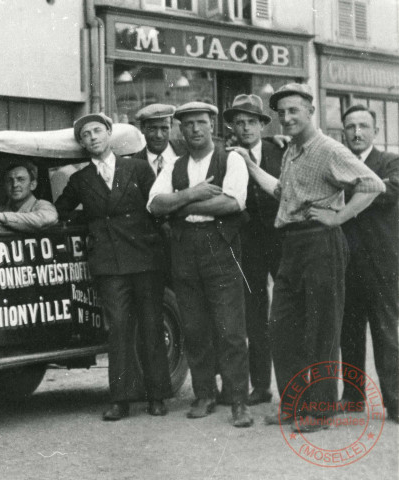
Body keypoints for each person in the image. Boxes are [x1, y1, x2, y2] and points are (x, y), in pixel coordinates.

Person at [234, 83, 385, 432]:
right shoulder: (293, 151)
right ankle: (292, 404)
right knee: (282, 327)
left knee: (321, 330)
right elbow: (283, 192)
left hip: (321, 243)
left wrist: (338, 217)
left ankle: (320, 411)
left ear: (310, 112)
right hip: (293, 244)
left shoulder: (328, 148)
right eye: (282, 113)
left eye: (293, 111)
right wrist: (248, 163)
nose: (286, 118)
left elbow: (372, 184)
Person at [55, 113, 172, 420]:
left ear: (108, 134)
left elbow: (157, 207)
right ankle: (121, 399)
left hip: (145, 258)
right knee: (118, 328)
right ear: (82, 143)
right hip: (108, 263)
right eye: (85, 135)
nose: (92, 137)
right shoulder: (79, 180)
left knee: (150, 323)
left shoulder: (137, 167)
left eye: (97, 131)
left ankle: (157, 395)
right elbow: (59, 212)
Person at [148, 101, 253, 428]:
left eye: (200, 123)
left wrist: (178, 205)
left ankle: (238, 400)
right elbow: (154, 204)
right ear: (180, 128)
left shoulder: (231, 158)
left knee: (229, 327)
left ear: (212, 126)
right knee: (194, 326)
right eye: (188, 124)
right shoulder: (175, 165)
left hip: (219, 246)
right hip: (184, 249)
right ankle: (204, 393)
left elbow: (232, 202)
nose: (194, 129)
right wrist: (192, 194)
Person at [223, 94, 284, 406]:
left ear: (263, 125)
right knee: (255, 314)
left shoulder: (281, 149)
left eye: (251, 121)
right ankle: (260, 386)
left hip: (283, 241)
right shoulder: (228, 155)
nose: (244, 127)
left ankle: (296, 386)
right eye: (239, 122)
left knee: (288, 311)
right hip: (248, 245)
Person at [339, 104, 399, 423]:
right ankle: (352, 397)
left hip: (382, 265)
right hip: (347, 263)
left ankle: (396, 400)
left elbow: (388, 192)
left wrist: (348, 186)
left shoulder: (391, 161)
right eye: (350, 127)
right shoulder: (339, 160)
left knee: (386, 334)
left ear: (375, 131)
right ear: (344, 132)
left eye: (363, 126)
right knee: (348, 333)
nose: (357, 132)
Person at [0, 159, 58, 232]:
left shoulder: (43, 206)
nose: (15, 185)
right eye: (9, 180)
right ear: (4, 186)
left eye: (21, 179)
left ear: (32, 185)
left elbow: (44, 219)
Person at [132, 104, 185, 176]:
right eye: (152, 129)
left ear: (171, 127)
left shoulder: (188, 151)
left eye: (164, 129)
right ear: (142, 128)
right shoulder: (133, 164)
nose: (158, 135)